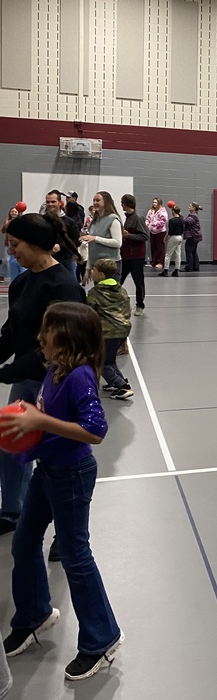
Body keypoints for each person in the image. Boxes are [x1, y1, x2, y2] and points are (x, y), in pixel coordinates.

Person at [0, 302, 123, 681]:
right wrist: (29, 416)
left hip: (72, 474)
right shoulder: (54, 369)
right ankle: (35, 615)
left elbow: (95, 431)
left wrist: (41, 420)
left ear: (66, 338)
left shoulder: (80, 377)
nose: (41, 338)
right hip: (47, 470)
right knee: (23, 542)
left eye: (47, 332)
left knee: (74, 555)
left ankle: (102, 639)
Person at [0, 214, 85, 537]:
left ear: (36, 245)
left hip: (55, 386)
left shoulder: (63, 286)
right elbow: (11, 334)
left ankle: (66, 531)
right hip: (25, 379)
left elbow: (55, 350)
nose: (11, 252)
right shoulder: (22, 282)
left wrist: (6, 373)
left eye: (16, 245)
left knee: (54, 462)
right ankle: (12, 512)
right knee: (10, 446)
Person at [88, 258, 134, 398]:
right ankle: (119, 382)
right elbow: (128, 309)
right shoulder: (122, 290)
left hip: (107, 333)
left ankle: (121, 386)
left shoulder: (95, 293)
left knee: (100, 362)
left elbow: (89, 312)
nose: (92, 272)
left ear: (101, 275)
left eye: (94, 270)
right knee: (110, 359)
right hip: (123, 330)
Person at [81, 191, 122, 285]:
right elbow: (91, 248)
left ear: (106, 202)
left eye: (98, 200)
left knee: (110, 296)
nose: (95, 203)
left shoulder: (113, 219)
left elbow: (118, 243)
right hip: (97, 266)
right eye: (93, 200)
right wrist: (88, 269)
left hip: (111, 266)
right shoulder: (94, 221)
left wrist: (96, 238)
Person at [119, 194, 149, 315]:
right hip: (126, 255)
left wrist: (128, 236)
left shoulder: (138, 218)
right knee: (118, 279)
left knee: (138, 282)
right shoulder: (127, 218)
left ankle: (140, 305)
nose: (121, 204)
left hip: (136, 256)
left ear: (126, 204)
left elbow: (145, 236)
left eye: (122, 202)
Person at [43, 190, 80, 280]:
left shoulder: (70, 222)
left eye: (53, 202)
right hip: (46, 262)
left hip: (66, 262)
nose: (50, 204)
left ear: (60, 203)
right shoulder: (43, 221)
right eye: (48, 202)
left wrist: (60, 246)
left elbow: (76, 241)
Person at [2, 207, 25, 283]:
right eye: (12, 211)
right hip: (9, 243)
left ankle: (21, 277)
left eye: (15, 211)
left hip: (18, 242)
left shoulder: (20, 220)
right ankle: (8, 276)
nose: (14, 213)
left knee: (19, 260)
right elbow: (4, 231)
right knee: (7, 261)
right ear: (10, 213)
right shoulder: (7, 221)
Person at [160, 205, 184, 277]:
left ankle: (166, 270)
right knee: (178, 254)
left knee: (168, 254)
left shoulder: (171, 220)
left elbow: (170, 231)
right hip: (180, 237)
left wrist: (166, 237)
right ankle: (176, 270)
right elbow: (183, 229)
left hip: (173, 237)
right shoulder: (182, 220)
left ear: (173, 211)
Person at [145, 198, 168, 269]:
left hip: (160, 232)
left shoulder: (162, 211)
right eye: (153, 202)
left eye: (156, 202)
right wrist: (148, 225)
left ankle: (160, 262)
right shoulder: (151, 211)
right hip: (152, 231)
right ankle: (153, 262)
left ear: (159, 203)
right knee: (153, 247)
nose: (154, 204)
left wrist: (155, 224)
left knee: (160, 248)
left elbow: (163, 221)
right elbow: (147, 219)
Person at [182, 202, 203, 272]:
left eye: (190, 206)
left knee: (189, 251)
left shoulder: (193, 216)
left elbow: (187, 222)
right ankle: (195, 267)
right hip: (195, 237)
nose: (188, 207)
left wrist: (178, 215)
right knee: (193, 251)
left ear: (194, 208)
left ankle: (189, 267)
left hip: (193, 236)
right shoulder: (193, 215)